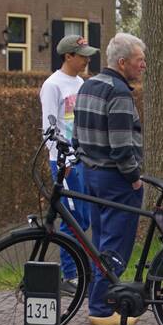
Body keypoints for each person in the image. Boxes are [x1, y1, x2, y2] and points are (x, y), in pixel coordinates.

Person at [72, 32, 146, 325]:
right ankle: (102, 308)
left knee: (100, 242)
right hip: (116, 180)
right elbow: (121, 146)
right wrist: (134, 178)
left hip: (90, 175)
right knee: (116, 245)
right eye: (140, 60)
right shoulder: (119, 93)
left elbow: (76, 134)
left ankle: (99, 299)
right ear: (123, 62)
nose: (143, 65)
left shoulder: (88, 86)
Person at [40, 35, 96, 296]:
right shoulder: (52, 85)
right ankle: (70, 275)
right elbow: (49, 128)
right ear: (68, 56)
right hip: (65, 164)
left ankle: (80, 270)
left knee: (83, 217)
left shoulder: (80, 83)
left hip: (81, 160)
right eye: (82, 56)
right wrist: (62, 161)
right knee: (72, 218)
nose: (86, 60)